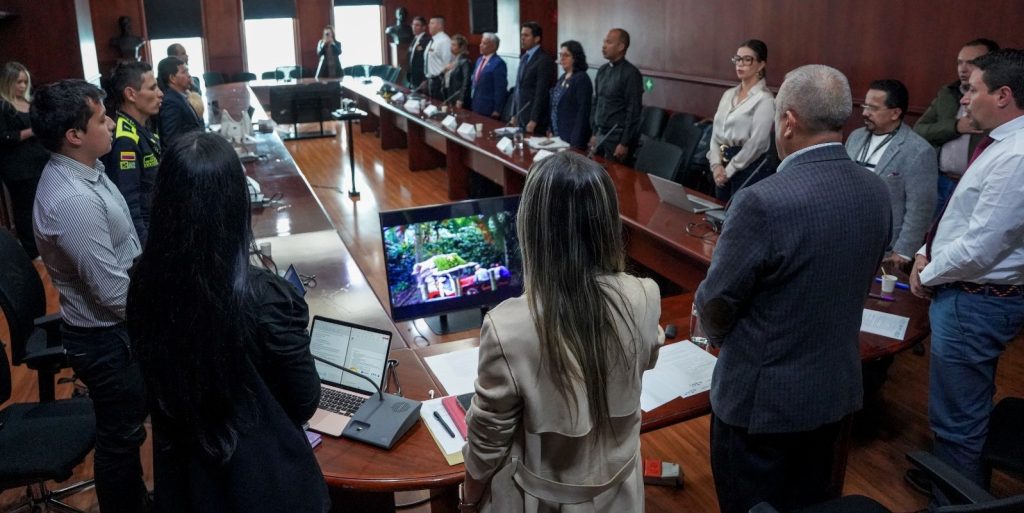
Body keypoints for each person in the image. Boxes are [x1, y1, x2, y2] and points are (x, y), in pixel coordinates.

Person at [694, 65, 891, 513]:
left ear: (788, 121)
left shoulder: (762, 200)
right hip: (834, 393)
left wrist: (727, 343)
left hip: (762, 408)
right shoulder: (875, 190)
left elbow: (717, 303)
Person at [127, 132, 330, 512]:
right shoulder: (264, 296)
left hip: (184, 482)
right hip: (265, 485)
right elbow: (304, 400)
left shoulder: (143, 281)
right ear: (236, 202)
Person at [458, 151, 664, 512]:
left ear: (532, 226)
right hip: (622, 497)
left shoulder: (507, 325)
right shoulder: (645, 293)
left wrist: (468, 497)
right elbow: (649, 352)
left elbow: (486, 444)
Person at [910, 48, 1024, 503]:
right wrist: (924, 254)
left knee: (957, 422)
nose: (963, 101)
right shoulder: (1000, 143)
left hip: (976, 299)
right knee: (960, 413)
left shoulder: (1015, 156)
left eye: (971, 90)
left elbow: (981, 246)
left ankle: (955, 502)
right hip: (969, 291)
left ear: (1003, 95)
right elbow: (959, 217)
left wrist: (929, 274)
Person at [30, 79, 148, 513]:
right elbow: (113, 293)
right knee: (121, 438)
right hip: (108, 339)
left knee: (127, 431)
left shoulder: (89, 171)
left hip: (117, 329)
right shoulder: (73, 200)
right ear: (74, 135)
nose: (114, 123)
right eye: (102, 118)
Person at [845, 79, 936, 270]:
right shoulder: (855, 137)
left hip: (885, 246)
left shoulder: (918, 150)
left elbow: (920, 207)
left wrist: (904, 250)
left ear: (895, 113)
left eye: (873, 108)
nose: (864, 113)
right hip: (845, 234)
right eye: (864, 105)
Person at [914, 38, 999, 217]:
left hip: (976, 186)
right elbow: (919, 131)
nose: (963, 68)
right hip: (940, 180)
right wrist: (955, 127)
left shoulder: (997, 99)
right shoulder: (948, 93)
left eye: (971, 63)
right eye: (959, 62)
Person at [101, 61, 163, 245]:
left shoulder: (140, 128)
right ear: (131, 94)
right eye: (152, 88)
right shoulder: (125, 141)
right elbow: (129, 206)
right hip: (147, 237)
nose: (160, 93)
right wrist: (148, 254)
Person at [707, 39, 775, 201]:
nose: (740, 64)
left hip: (748, 168)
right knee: (718, 214)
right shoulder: (728, 94)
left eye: (747, 59)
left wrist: (729, 171)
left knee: (738, 218)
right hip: (722, 166)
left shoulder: (765, 99)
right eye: (737, 59)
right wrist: (716, 165)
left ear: (761, 64)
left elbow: (757, 143)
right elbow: (715, 134)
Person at [0, 62, 48, 258]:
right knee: (25, 209)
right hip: (18, 168)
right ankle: (32, 250)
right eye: (18, 82)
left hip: (40, 161)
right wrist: (29, 132)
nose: (22, 86)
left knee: (43, 206)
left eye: (25, 81)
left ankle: (46, 245)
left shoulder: (30, 102)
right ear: (8, 82)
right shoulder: (3, 107)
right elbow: (3, 137)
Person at [589, 28, 643, 163]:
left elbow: (633, 111)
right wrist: (594, 132)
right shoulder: (602, 70)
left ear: (621, 47)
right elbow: (597, 102)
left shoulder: (631, 74)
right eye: (604, 41)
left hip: (617, 138)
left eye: (608, 42)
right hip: (600, 134)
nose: (604, 45)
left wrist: (624, 143)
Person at [510, 22, 554, 134]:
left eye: (526, 35)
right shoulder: (524, 57)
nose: (522, 38)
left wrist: (534, 119)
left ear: (537, 38)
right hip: (521, 116)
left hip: (533, 119)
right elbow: (518, 88)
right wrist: (514, 113)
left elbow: (541, 93)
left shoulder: (544, 60)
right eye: (521, 35)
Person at [549, 40, 592, 150]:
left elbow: (583, 113)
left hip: (572, 138)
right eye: (561, 55)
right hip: (558, 135)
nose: (562, 58)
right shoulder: (563, 77)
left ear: (576, 58)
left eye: (566, 55)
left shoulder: (581, 79)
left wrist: (575, 141)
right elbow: (554, 106)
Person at [157, 56, 204, 148]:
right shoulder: (170, 102)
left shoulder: (180, 96)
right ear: (172, 78)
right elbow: (171, 140)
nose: (189, 75)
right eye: (184, 72)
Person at [470, 33, 507, 118]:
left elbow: (500, 89)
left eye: (484, 43)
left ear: (493, 46)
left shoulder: (498, 63)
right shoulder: (479, 60)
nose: (480, 45)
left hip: (488, 108)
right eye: (481, 42)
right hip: (475, 104)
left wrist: (497, 109)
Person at [424, 16, 453, 99]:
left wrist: (444, 85)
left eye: (432, 23)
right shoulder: (433, 40)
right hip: (430, 80)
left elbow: (448, 64)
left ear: (440, 25)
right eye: (429, 23)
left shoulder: (445, 41)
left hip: (439, 82)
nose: (429, 25)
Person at [442, 34, 472, 109]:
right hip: (450, 95)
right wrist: (444, 70)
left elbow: (466, 82)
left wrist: (461, 99)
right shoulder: (454, 60)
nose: (451, 47)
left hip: (458, 98)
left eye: (454, 45)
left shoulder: (465, 62)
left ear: (461, 47)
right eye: (451, 45)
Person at [407, 16, 431, 90]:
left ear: (424, 27)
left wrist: (425, 79)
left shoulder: (426, 40)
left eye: (417, 25)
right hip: (413, 77)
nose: (414, 27)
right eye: (413, 24)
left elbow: (427, 61)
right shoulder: (414, 39)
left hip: (421, 78)